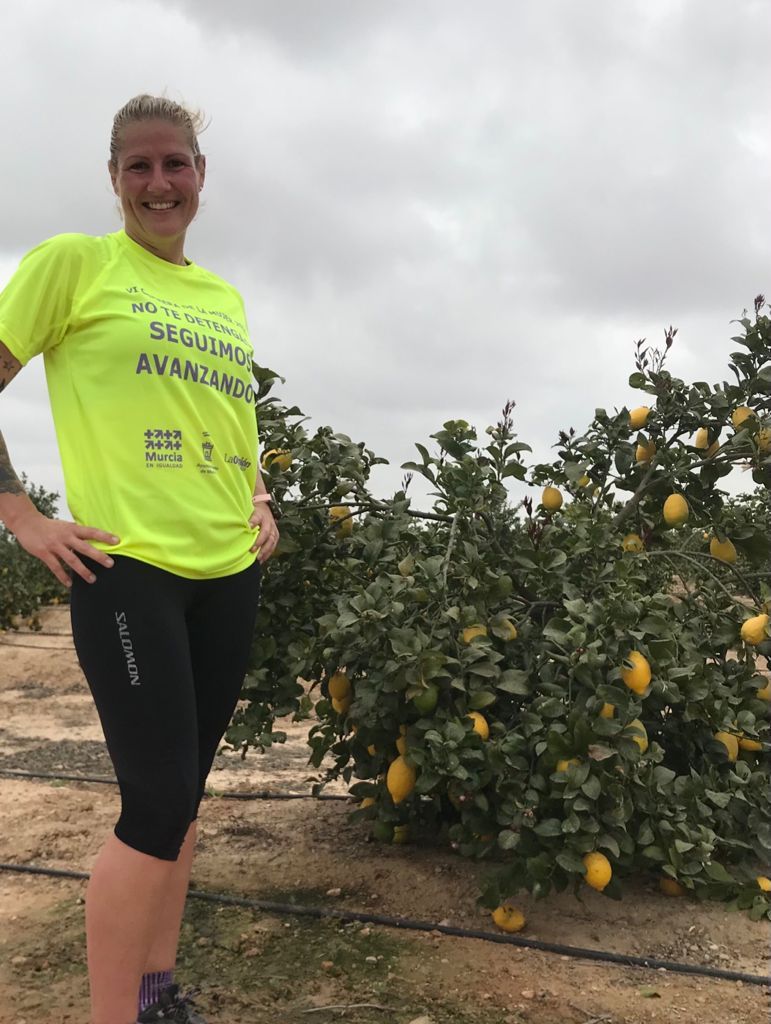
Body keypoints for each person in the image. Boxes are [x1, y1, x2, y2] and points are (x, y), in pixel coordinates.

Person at [0, 94, 278, 1024]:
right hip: (129, 572)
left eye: (176, 165)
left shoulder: (221, 298)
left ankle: (157, 997)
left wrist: (261, 495)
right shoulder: (74, 265)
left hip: (226, 572)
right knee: (154, 805)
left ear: (201, 175)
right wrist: (19, 513)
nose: (160, 184)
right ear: (114, 179)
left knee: (186, 803)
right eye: (139, 167)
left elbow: (228, 417)